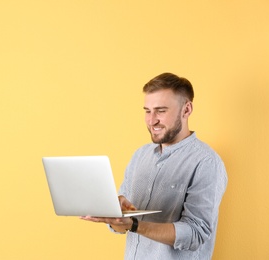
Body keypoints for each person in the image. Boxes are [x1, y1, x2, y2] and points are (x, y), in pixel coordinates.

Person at [81, 72, 228, 259]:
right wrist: (114, 217)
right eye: (147, 111)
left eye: (161, 110)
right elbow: (121, 226)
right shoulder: (140, 155)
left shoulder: (206, 162)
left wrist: (134, 225)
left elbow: (195, 233)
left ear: (186, 109)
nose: (152, 120)